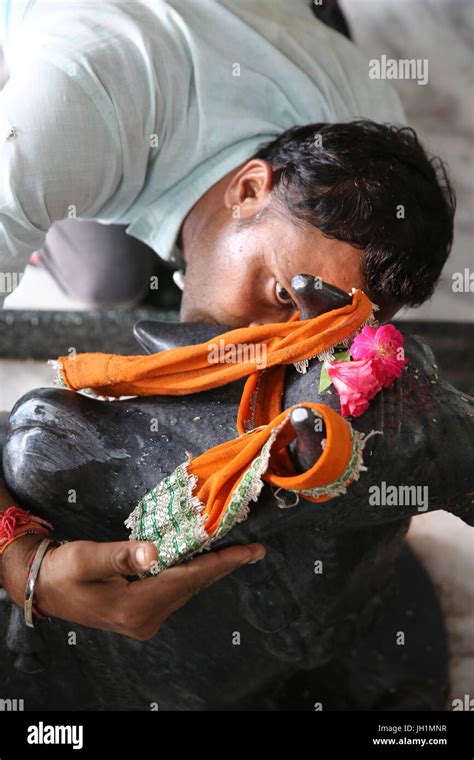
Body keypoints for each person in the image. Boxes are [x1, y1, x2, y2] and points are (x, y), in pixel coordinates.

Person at [0, 0, 455, 637]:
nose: (263, 345)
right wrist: (19, 557)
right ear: (247, 188)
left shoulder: (362, 109)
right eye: (277, 294)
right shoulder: (73, 109)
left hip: (293, 39)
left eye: (314, 332)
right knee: (110, 278)